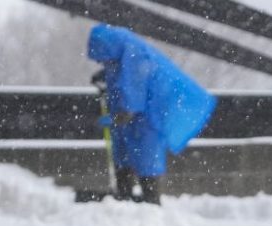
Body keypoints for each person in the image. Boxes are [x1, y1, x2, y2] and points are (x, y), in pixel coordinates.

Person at [85, 23, 217, 205]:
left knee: (146, 158)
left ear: (107, 48)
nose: (103, 63)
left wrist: (115, 118)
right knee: (123, 156)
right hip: (135, 121)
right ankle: (124, 198)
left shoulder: (134, 55)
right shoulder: (120, 50)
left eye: (103, 59)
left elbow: (132, 96)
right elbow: (119, 75)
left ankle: (151, 202)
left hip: (148, 118)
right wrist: (104, 75)